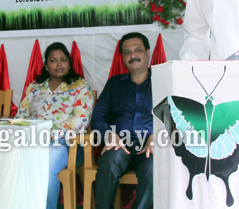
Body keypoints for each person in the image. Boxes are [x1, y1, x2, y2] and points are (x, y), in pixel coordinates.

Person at [16, 42, 93, 209]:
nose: (59, 64)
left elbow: (81, 120)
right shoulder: (34, 87)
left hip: (66, 144)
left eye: (63, 59)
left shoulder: (80, 86)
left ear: (69, 63)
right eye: (53, 60)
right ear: (46, 65)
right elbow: (22, 115)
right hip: (34, 141)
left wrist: (50, 135)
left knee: (45, 164)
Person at [91, 32, 153, 209]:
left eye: (138, 50)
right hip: (120, 145)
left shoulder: (162, 81)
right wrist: (109, 135)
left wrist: (159, 135)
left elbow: (173, 116)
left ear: (148, 53)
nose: (133, 55)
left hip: (150, 145)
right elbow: (98, 116)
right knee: (108, 164)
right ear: (123, 57)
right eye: (127, 52)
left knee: (153, 170)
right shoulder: (114, 84)